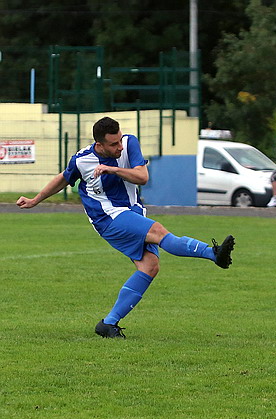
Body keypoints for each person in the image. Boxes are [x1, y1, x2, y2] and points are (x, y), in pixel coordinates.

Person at [16, 117, 235, 338]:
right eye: (113, 144)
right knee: (159, 232)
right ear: (100, 145)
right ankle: (213, 253)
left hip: (132, 212)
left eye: (120, 140)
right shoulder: (82, 160)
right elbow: (64, 178)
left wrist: (112, 170)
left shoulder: (130, 143)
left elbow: (142, 177)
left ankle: (108, 324)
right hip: (107, 217)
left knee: (150, 266)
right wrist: (35, 200)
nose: (119, 147)